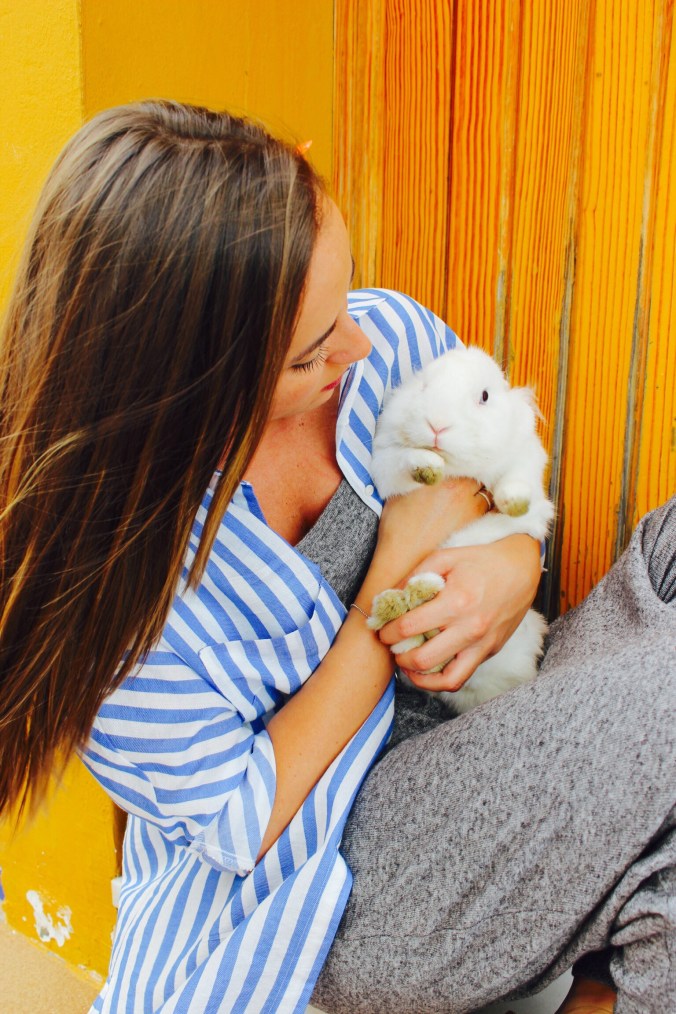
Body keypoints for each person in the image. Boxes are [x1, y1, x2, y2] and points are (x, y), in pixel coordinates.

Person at [0, 101, 672, 1014]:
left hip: (492, 730)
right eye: (310, 355)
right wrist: (388, 578)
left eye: (345, 300)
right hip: (332, 859)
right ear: (192, 386)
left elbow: (504, 467)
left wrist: (517, 561)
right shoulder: (106, 591)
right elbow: (242, 822)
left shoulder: (386, 340)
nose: (359, 343)